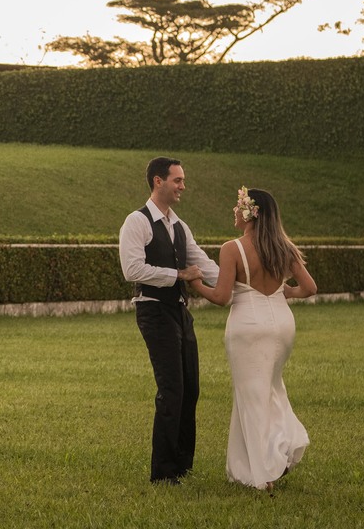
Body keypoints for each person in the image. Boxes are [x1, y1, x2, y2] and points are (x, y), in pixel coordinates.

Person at [188, 187, 318, 492]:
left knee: (252, 398)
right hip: (282, 323)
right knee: (271, 388)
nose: (234, 210)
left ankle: (264, 473)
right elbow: (310, 287)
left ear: (250, 212)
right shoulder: (283, 246)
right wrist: (287, 292)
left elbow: (221, 297)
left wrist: (195, 284)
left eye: (238, 205)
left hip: (248, 325)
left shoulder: (232, 248)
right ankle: (269, 452)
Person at [119, 157, 220, 484]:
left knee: (190, 387)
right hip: (153, 311)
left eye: (182, 180)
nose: (183, 186)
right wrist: (178, 275)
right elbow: (132, 270)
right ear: (157, 181)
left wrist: (244, 284)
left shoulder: (179, 227)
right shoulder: (136, 222)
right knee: (172, 389)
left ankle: (182, 465)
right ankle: (163, 473)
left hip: (179, 311)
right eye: (177, 180)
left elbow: (203, 264)